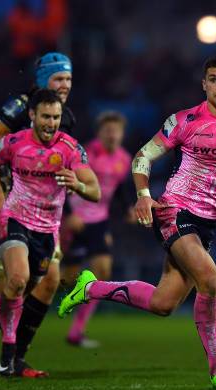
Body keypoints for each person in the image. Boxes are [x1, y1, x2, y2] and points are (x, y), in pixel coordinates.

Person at [58, 53, 216, 390]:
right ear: (204, 84)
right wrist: (144, 195)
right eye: (214, 79)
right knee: (211, 279)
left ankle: (89, 288)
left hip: (208, 223)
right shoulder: (184, 121)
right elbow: (143, 157)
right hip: (175, 211)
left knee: (163, 303)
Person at [0, 89, 100, 381]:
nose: (51, 123)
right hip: (14, 220)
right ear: (32, 116)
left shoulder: (70, 149)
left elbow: (95, 191)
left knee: (16, 291)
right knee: (17, 280)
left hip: (47, 231)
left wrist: (77, 185)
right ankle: (7, 357)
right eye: (45, 117)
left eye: (55, 117)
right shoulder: (13, 143)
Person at [63, 111, 135, 348]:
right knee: (63, 279)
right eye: (108, 130)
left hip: (99, 220)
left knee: (102, 271)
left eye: (116, 130)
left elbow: (119, 190)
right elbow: (65, 182)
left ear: (122, 134)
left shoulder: (124, 159)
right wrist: (68, 214)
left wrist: (128, 210)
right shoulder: (86, 153)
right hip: (75, 219)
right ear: (100, 132)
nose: (112, 134)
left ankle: (76, 331)